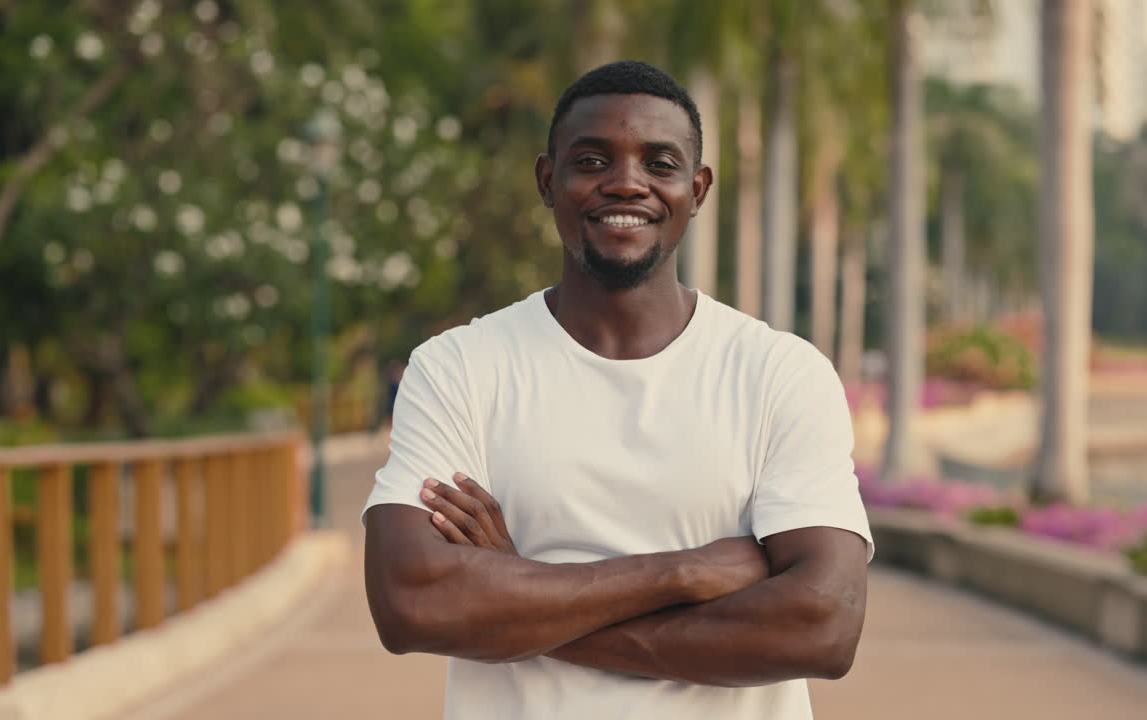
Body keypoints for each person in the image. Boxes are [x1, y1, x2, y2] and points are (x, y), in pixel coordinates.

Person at [363, 60, 872, 720]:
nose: (626, 183)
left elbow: (824, 626)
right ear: (549, 181)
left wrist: (521, 594)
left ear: (698, 188)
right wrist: (680, 574)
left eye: (659, 164)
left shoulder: (778, 372)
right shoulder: (460, 367)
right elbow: (412, 605)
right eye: (593, 160)